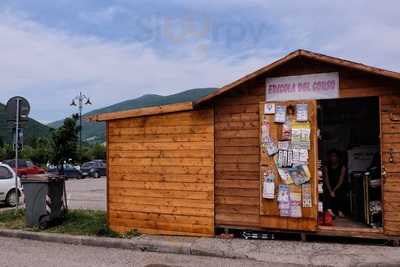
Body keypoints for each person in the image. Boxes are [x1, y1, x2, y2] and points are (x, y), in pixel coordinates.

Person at [324, 150, 347, 218]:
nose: (333, 158)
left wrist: (334, 190)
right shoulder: (326, 167)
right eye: (331, 156)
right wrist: (330, 190)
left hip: (338, 185)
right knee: (326, 192)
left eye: (334, 156)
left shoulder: (342, 167)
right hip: (329, 185)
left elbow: (341, 180)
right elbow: (326, 179)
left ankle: (340, 211)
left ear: (338, 158)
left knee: (340, 191)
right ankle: (329, 210)